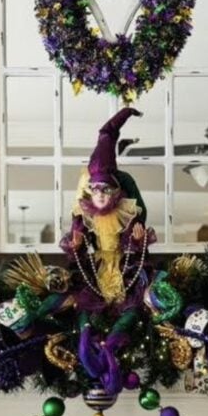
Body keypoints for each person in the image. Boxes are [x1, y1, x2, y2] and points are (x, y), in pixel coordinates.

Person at [61, 107, 155, 309]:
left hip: (123, 265)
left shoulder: (126, 212)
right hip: (99, 265)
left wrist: (138, 241)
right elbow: (80, 247)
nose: (100, 194)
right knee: (91, 304)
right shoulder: (86, 215)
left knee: (129, 303)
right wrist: (76, 244)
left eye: (105, 189)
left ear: (115, 190)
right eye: (94, 189)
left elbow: (135, 251)